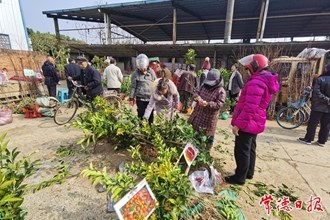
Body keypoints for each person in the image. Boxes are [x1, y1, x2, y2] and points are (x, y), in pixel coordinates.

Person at [225, 54, 280, 185]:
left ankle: (239, 177)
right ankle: (248, 173)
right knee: (250, 148)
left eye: (248, 69)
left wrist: (238, 124)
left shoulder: (256, 82)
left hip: (248, 122)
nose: (247, 72)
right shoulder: (264, 80)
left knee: (241, 150)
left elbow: (249, 107)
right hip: (255, 121)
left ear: (256, 67)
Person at [188, 68, 226, 148]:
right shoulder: (203, 85)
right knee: (195, 136)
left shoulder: (221, 91)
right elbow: (196, 93)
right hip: (198, 115)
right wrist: (197, 98)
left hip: (209, 118)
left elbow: (219, 104)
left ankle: (206, 152)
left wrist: (208, 104)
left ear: (217, 81)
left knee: (207, 137)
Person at [298, 64, 330, 147]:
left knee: (313, 123)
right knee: (326, 125)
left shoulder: (320, 79)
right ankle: (322, 141)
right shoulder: (321, 79)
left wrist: (326, 99)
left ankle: (308, 139)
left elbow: (317, 92)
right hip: (328, 107)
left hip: (318, 106)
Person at [129, 54, 157, 124]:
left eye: (143, 68)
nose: (142, 70)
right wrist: (131, 98)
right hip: (140, 99)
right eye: (140, 68)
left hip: (150, 99)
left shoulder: (151, 72)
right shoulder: (135, 74)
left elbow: (155, 83)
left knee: (150, 115)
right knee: (141, 115)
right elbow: (133, 87)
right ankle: (141, 130)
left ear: (147, 65)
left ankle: (150, 129)